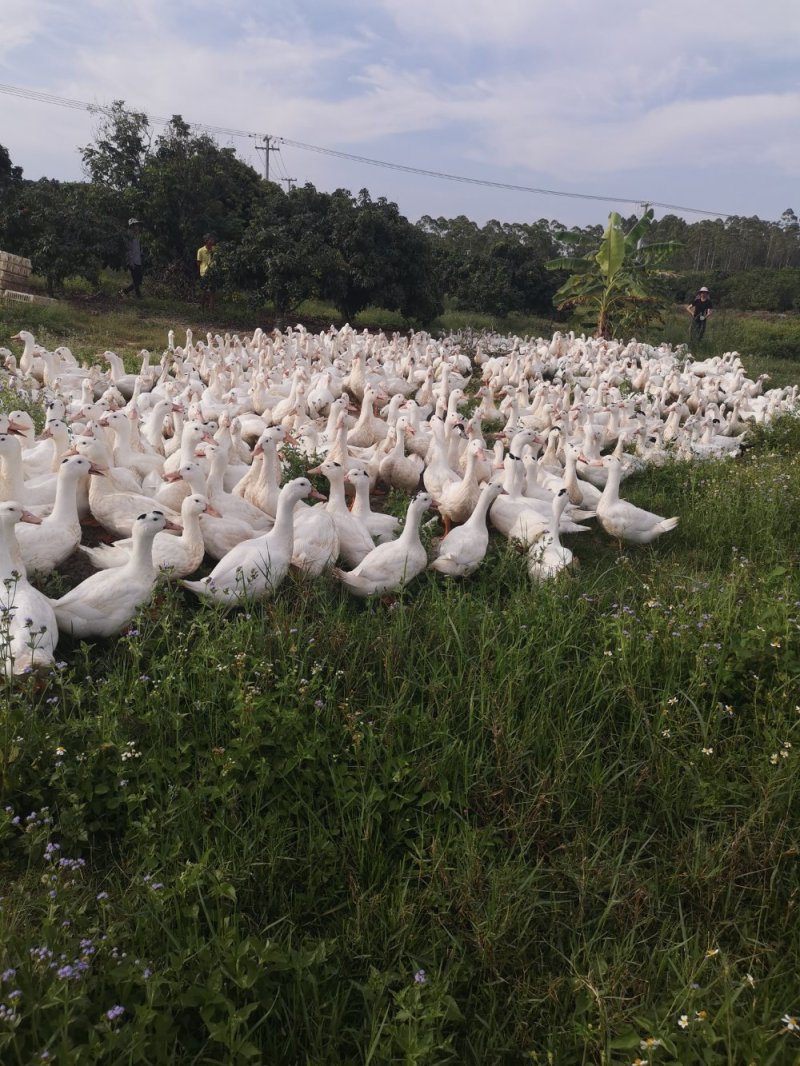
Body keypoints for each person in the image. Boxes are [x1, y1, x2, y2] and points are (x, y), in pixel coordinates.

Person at [121, 218, 144, 298]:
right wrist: (130, 262)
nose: (137, 226)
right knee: (137, 281)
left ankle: (139, 296)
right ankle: (124, 291)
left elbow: (137, 249)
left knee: (137, 280)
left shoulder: (136, 235)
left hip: (137, 260)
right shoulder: (129, 235)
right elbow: (128, 250)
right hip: (133, 261)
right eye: (136, 225)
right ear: (132, 226)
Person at [196, 233, 217, 313]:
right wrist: (202, 271)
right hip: (204, 273)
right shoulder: (200, 250)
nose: (212, 241)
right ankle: (202, 308)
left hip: (213, 272)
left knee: (212, 292)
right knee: (204, 291)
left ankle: (211, 310)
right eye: (210, 239)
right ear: (206, 241)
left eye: (212, 239)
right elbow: (198, 263)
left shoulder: (215, 249)